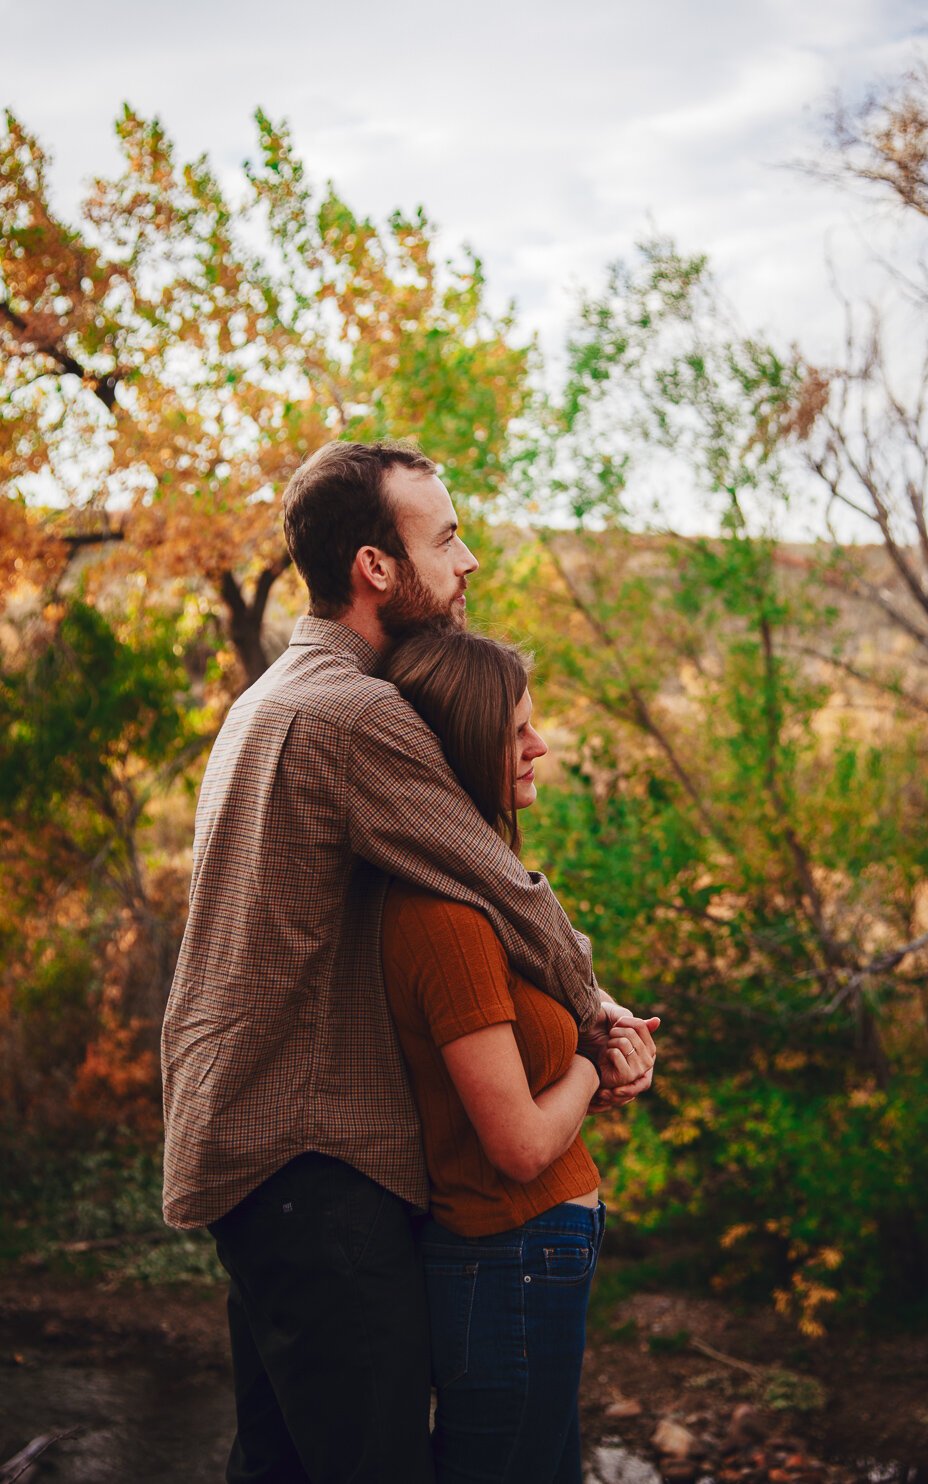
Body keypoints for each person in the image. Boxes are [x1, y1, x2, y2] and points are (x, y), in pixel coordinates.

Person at [160, 439, 654, 1484]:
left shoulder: (267, 699)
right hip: (316, 1164)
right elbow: (498, 879)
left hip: (251, 1158)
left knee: (286, 1465)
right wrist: (599, 1015)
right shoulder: (355, 714)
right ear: (374, 567)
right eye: (444, 537)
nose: (467, 560)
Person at [382, 629, 659, 1484]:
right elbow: (519, 1146)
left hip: (528, 1258)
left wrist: (599, 1059)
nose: (538, 746)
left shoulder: (482, 894)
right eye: (515, 732)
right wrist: (584, 1058)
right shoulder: (448, 921)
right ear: (462, 748)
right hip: (509, 1257)